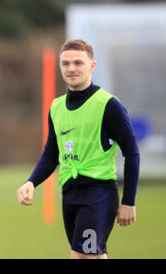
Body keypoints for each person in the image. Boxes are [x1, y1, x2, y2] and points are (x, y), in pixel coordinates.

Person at [17, 39, 140, 259]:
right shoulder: (56, 107)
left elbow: (132, 153)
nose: (71, 68)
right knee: (91, 255)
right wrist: (31, 181)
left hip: (99, 195)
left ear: (92, 66)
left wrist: (129, 201)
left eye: (78, 63)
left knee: (83, 256)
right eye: (65, 63)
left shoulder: (109, 105)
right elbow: (51, 154)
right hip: (70, 195)